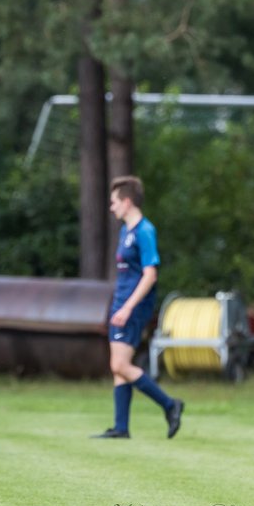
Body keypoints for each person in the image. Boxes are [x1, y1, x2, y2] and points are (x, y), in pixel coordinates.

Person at [92, 176, 184, 440]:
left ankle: (169, 404)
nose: (111, 208)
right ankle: (121, 427)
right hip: (121, 304)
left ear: (127, 202)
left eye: (114, 202)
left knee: (120, 364)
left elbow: (150, 274)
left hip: (132, 307)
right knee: (119, 366)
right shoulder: (126, 231)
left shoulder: (145, 231)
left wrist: (128, 308)